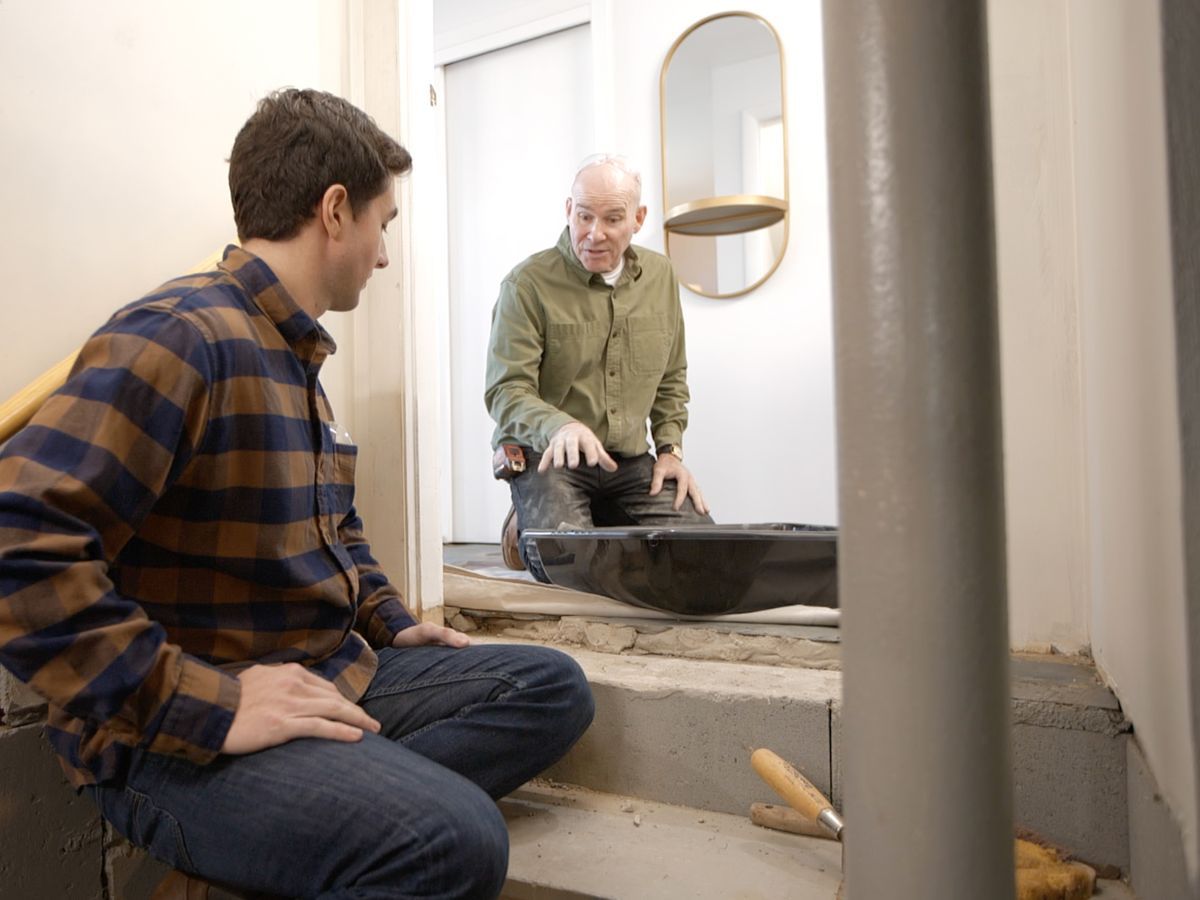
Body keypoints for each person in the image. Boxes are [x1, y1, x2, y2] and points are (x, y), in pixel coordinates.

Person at [0, 89, 593, 899]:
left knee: (551, 688)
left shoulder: (294, 358)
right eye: (386, 224)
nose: (385, 255)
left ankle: (309, 817)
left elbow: (333, 526)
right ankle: (338, 812)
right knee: (457, 840)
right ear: (336, 210)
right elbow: (16, 541)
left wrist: (390, 622)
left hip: (316, 672)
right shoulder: (180, 334)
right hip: (170, 736)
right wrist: (208, 703)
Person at [484, 154, 712, 581]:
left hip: (628, 462)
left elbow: (671, 377)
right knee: (574, 571)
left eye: (612, 219)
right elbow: (506, 391)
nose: (594, 233)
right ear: (569, 210)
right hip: (548, 458)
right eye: (584, 215)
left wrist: (669, 450)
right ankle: (527, 519)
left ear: (638, 219)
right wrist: (560, 426)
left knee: (701, 557)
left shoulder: (660, 277)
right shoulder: (526, 285)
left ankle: (596, 518)